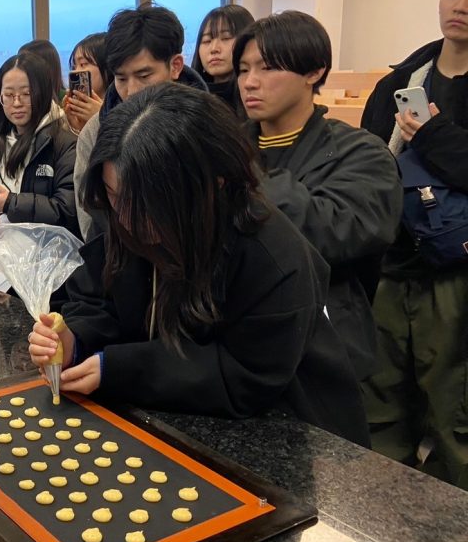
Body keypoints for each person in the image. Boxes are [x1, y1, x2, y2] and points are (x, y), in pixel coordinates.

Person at [29, 83, 368, 445]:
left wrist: (119, 368)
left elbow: (244, 376)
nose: (126, 219)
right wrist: (75, 338)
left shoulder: (272, 256)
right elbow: (100, 296)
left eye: (145, 203)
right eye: (114, 196)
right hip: (161, 417)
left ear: (212, 182)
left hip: (282, 432)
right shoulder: (128, 218)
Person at [235, 11, 401, 384]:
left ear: (314, 71)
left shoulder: (360, 151)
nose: (250, 82)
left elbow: (337, 232)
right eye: (243, 70)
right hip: (234, 334)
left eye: (267, 68)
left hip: (322, 343)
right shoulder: (229, 144)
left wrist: (242, 172)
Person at [360, 0, 468, 488]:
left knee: (455, 417)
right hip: (394, 266)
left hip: (457, 275)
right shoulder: (403, 80)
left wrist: (433, 133)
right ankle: (386, 515)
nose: (461, 6)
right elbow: (366, 165)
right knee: (380, 408)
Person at [74, 2, 208, 240]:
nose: (132, 91)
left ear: (175, 66)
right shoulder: (95, 132)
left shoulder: (207, 125)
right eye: (121, 78)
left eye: (144, 75)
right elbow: (89, 214)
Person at [0, 51, 78, 237]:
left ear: (43, 93)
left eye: (26, 94)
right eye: (8, 95)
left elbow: (68, 210)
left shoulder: (64, 143)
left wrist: (11, 203)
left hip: (44, 249)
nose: (16, 103)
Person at [192, 4, 254, 116]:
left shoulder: (255, 98)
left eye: (226, 38)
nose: (214, 49)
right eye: (207, 41)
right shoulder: (189, 100)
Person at [63, 32, 111, 136]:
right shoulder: (79, 112)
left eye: (83, 64)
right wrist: (78, 129)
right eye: (74, 66)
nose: (76, 71)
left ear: (107, 67)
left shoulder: (123, 110)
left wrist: (102, 120)